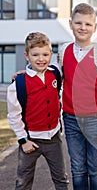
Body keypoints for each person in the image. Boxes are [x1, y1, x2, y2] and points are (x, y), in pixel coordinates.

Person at [57, 3, 97, 189]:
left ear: (95, 27)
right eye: (78, 23)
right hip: (71, 119)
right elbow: (51, 75)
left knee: (96, 168)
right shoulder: (63, 51)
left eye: (88, 24)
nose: (83, 28)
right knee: (77, 168)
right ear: (70, 24)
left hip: (96, 120)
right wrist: (24, 73)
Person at [7, 32, 69, 190]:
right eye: (35, 55)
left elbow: (68, 54)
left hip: (53, 138)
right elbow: (14, 116)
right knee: (23, 182)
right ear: (27, 56)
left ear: (51, 55)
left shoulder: (55, 73)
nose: (41, 59)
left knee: (61, 179)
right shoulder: (18, 84)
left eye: (45, 54)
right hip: (30, 140)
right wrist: (23, 141)